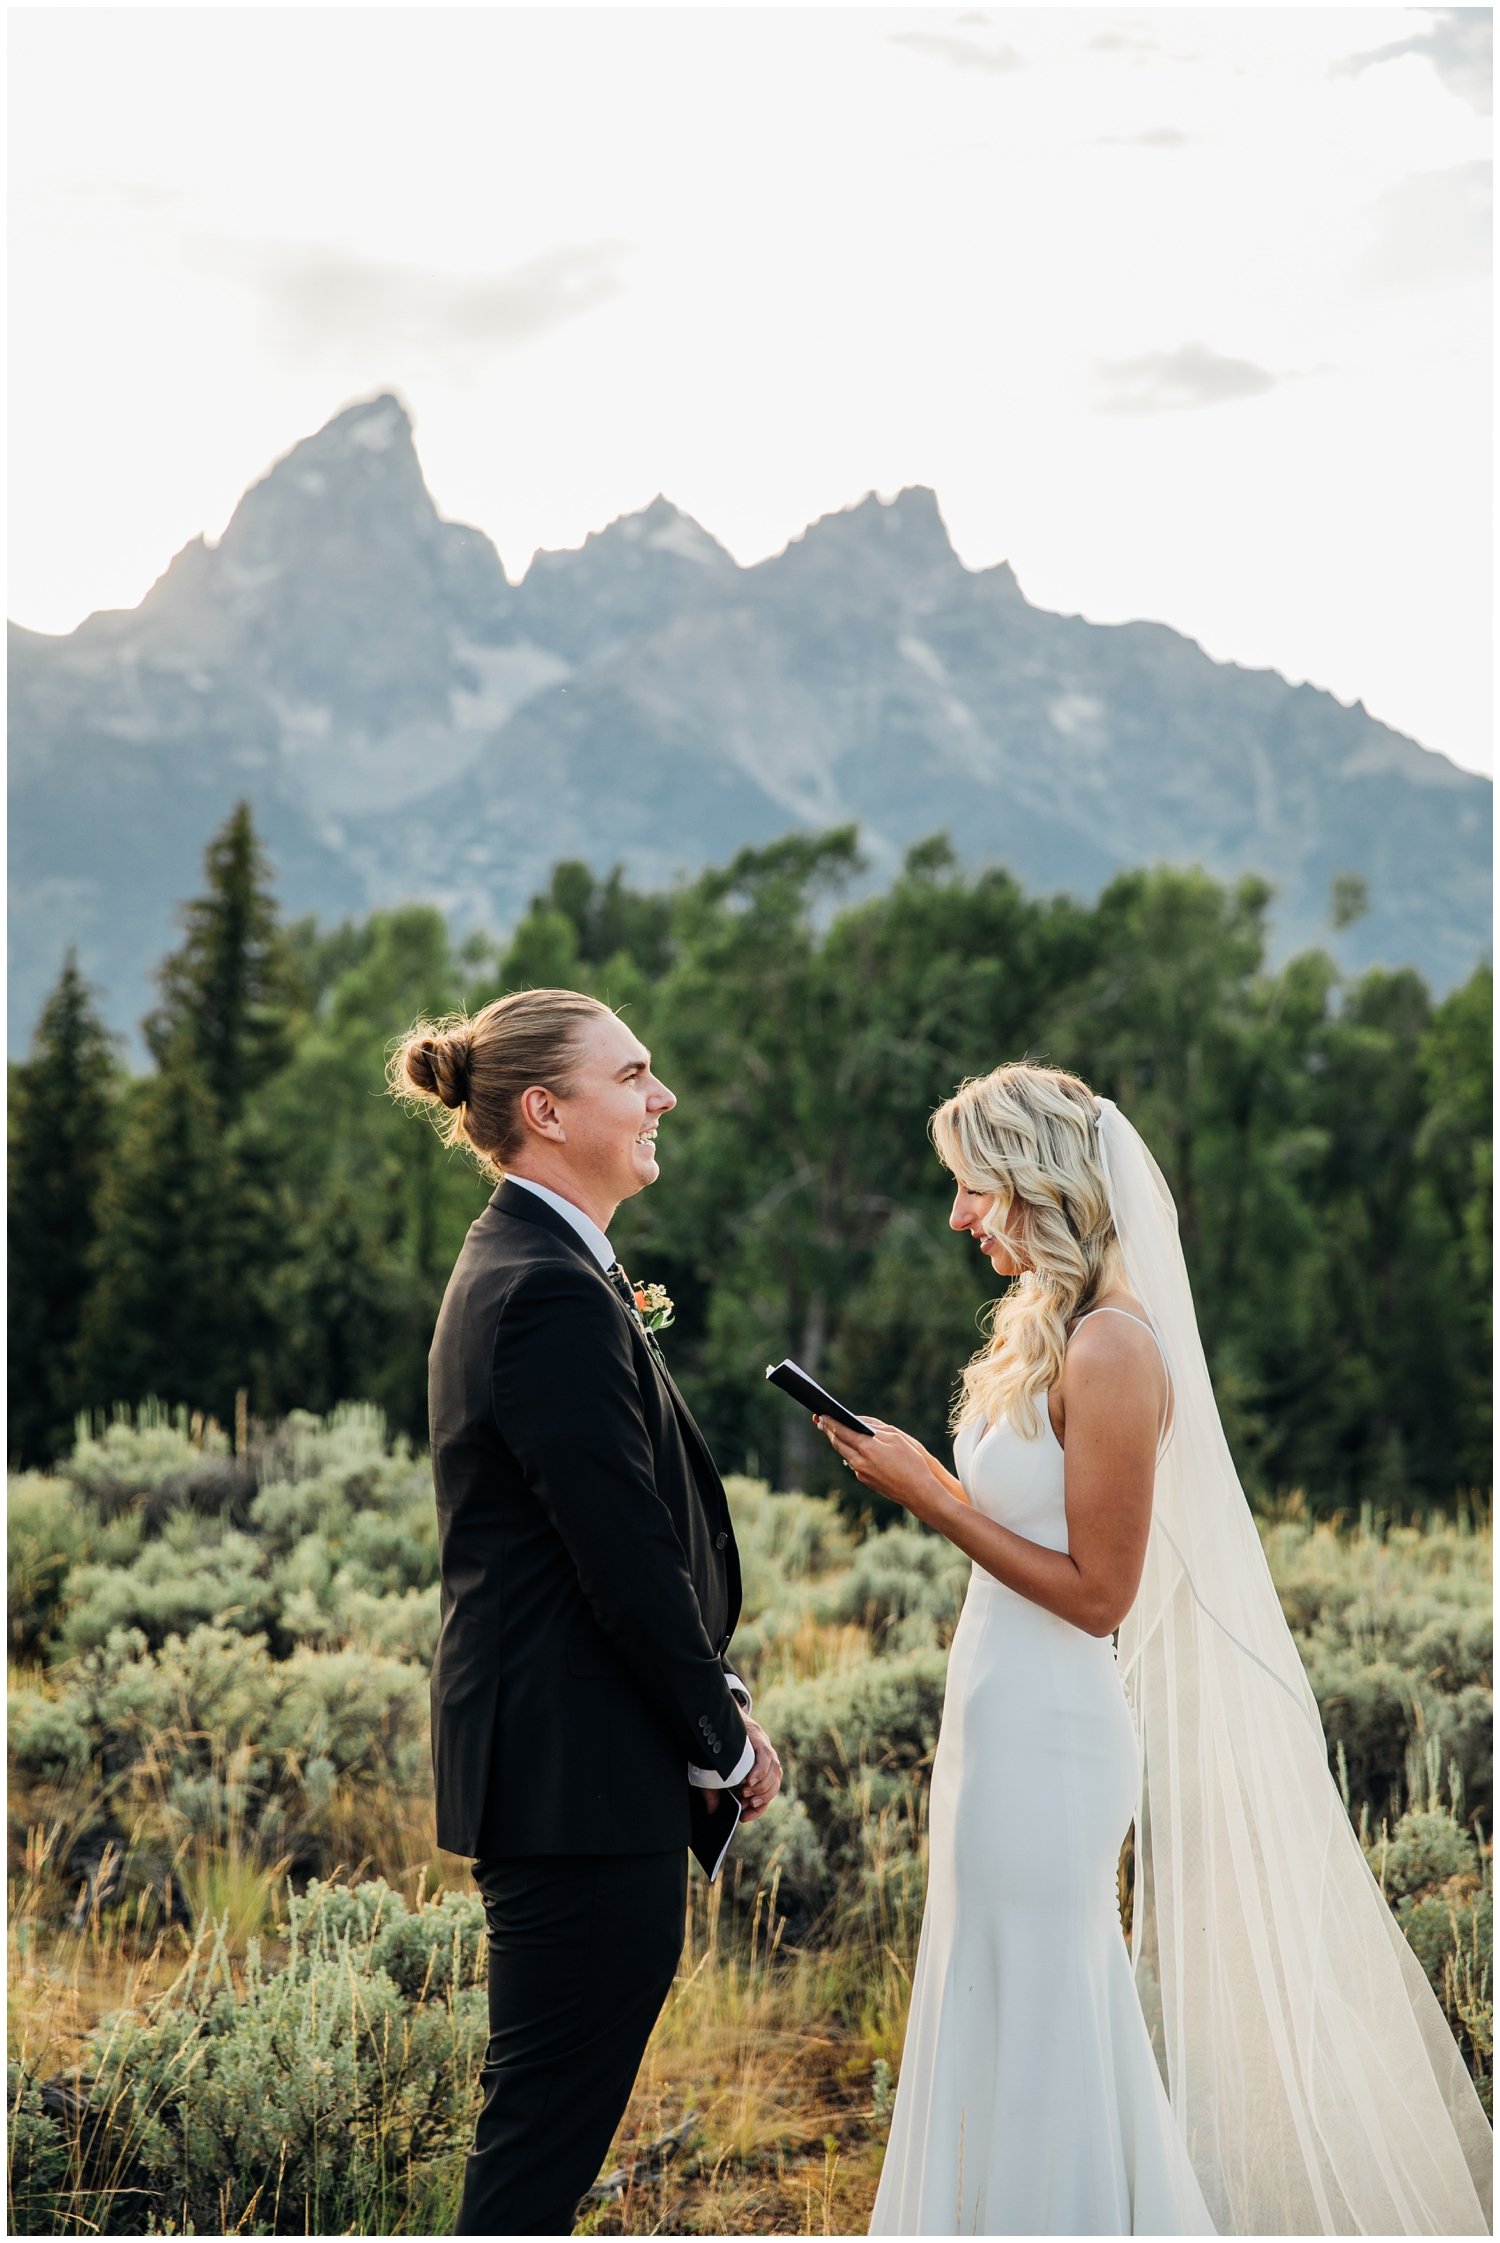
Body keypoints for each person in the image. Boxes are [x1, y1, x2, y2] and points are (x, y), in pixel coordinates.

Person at [815, 1062, 1491, 2237]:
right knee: (988, 1990)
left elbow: (1099, 1593)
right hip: (991, 1719)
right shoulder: (1047, 1329)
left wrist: (928, 1491)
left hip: (1054, 1734)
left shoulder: (1116, 1346)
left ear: (1040, 1182)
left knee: (1048, 2006)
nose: (959, 1215)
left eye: (975, 1189)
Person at [390, 988, 782, 2237]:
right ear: (548, 1111)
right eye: (636, 1074)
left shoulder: (543, 1261)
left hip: (575, 1763)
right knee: (537, 2148)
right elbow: (620, 1558)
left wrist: (713, 1701)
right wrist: (718, 1738)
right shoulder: (545, 1287)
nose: (660, 1095)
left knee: (546, 2129)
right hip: (574, 1775)